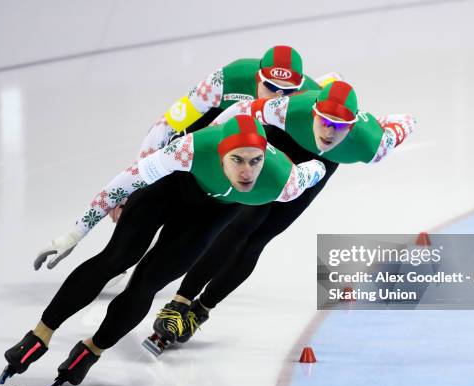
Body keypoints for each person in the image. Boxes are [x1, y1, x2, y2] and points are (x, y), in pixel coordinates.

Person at [0, 115, 326, 386]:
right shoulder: (189, 150)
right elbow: (122, 184)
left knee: (147, 282)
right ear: (221, 154)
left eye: (255, 161)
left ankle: (92, 350)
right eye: (237, 160)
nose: (246, 172)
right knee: (117, 258)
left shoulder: (284, 181)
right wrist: (73, 234)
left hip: (211, 215)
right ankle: (39, 336)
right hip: (170, 189)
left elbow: (318, 169)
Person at [147, 81, 416, 351]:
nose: (330, 132)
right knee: (242, 223)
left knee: (260, 238)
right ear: (313, 113)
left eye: (340, 126)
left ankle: (201, 310)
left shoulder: (374, 143)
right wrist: (211, 134)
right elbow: (243, 109)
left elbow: (407, 120)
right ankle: (179, 303)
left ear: (353, 125)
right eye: (325, 121)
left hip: (317, 169)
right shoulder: (289, 109)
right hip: (279, 150)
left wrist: (380, 122)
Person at [33, 45, 328, 270]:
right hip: (213, 131)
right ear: (256, 77)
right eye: (269, 87)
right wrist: (77, 232)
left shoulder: (308, 99)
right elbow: (164, 127)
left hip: (258, 138)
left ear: (299, 88)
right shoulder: (226, 80)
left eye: (286, 91)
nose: (275, 96)